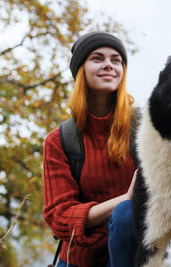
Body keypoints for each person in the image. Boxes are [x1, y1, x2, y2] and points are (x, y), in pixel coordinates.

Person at [43, 31, 137, 267]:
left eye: (116, 60)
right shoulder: (60, 140)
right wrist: (124, 200)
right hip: (78, 260)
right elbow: (59, 217)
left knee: (129, 214)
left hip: (135, 258)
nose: (109, 65)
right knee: (126, 209)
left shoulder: (144, 130)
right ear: (81, 70)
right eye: (97, 58)